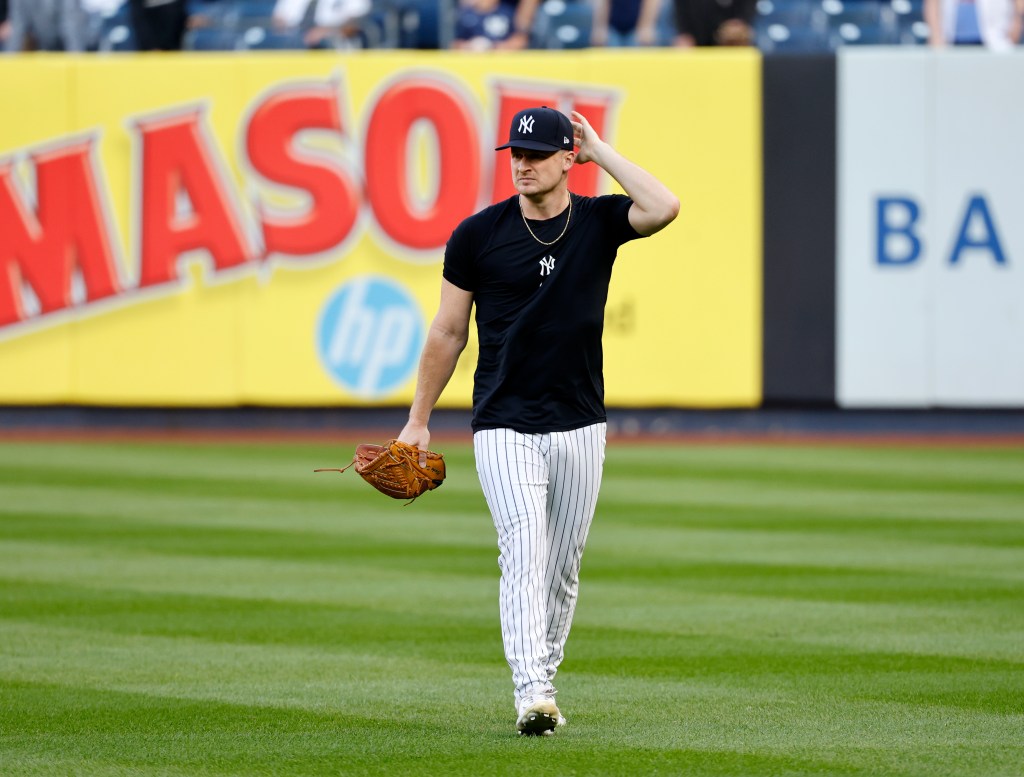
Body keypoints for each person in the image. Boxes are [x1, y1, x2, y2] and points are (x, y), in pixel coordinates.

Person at [397, 106, 679, 736]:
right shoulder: (478, 235)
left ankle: (544, 674)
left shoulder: (601, 220)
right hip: (502, 419)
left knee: (562, 565)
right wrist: (419, 418)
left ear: (565, 158)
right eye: (515, 154)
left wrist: (601, 150)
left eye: (535, 154)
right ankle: (532, 692)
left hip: (581, 420)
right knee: (522, 550)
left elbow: (664, 205)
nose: (522, 164)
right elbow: (448, 329)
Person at [923, 0, 1023, 50]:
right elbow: (932, 3)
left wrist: (1016, 25)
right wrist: (936, 36)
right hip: (951, 41)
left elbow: (1019, 5)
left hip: (996, 39)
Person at [4, 0, 88, 51]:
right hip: (46, 48)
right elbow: (17, 28)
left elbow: (71, 28)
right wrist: (5, 68)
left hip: (85, 46)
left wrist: (77, 69)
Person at [673, 0, 755, 46]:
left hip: (731, 38)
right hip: (698, 37)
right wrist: (684, 33)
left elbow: (742, 22)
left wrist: (740, 22)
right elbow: (682, 11)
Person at [592, 0, 663, 46]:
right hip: (613, 28)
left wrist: (646, 27)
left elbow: (652, 3)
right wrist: (601, 28)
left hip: (637, 29)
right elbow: (604, 3)